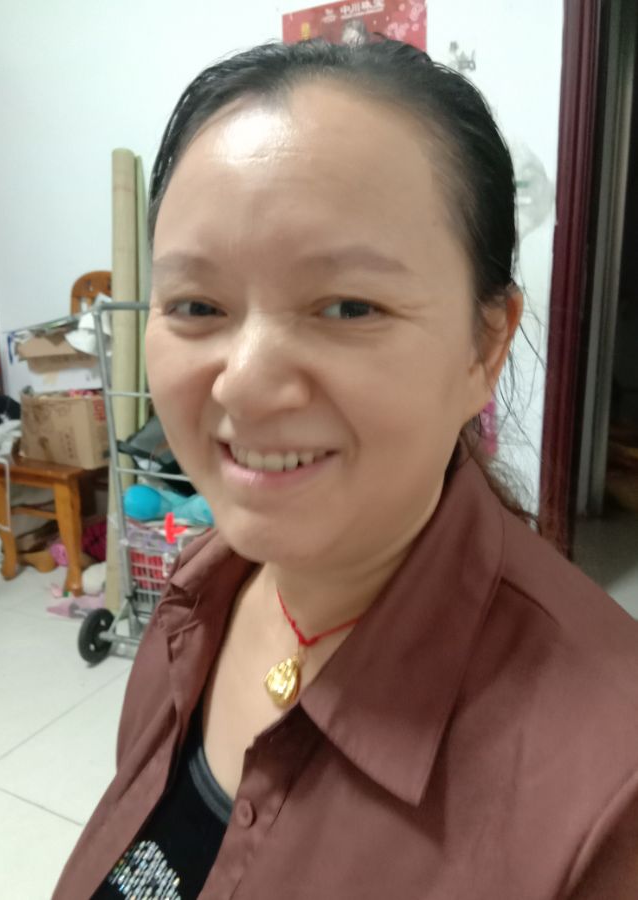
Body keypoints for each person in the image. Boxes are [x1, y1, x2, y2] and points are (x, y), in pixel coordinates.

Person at [54, 38, 638, 900]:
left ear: (484, 345)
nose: (245, 383)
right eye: (197, 304)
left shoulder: (609, 793)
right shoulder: (195, 601)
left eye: (348, 306)